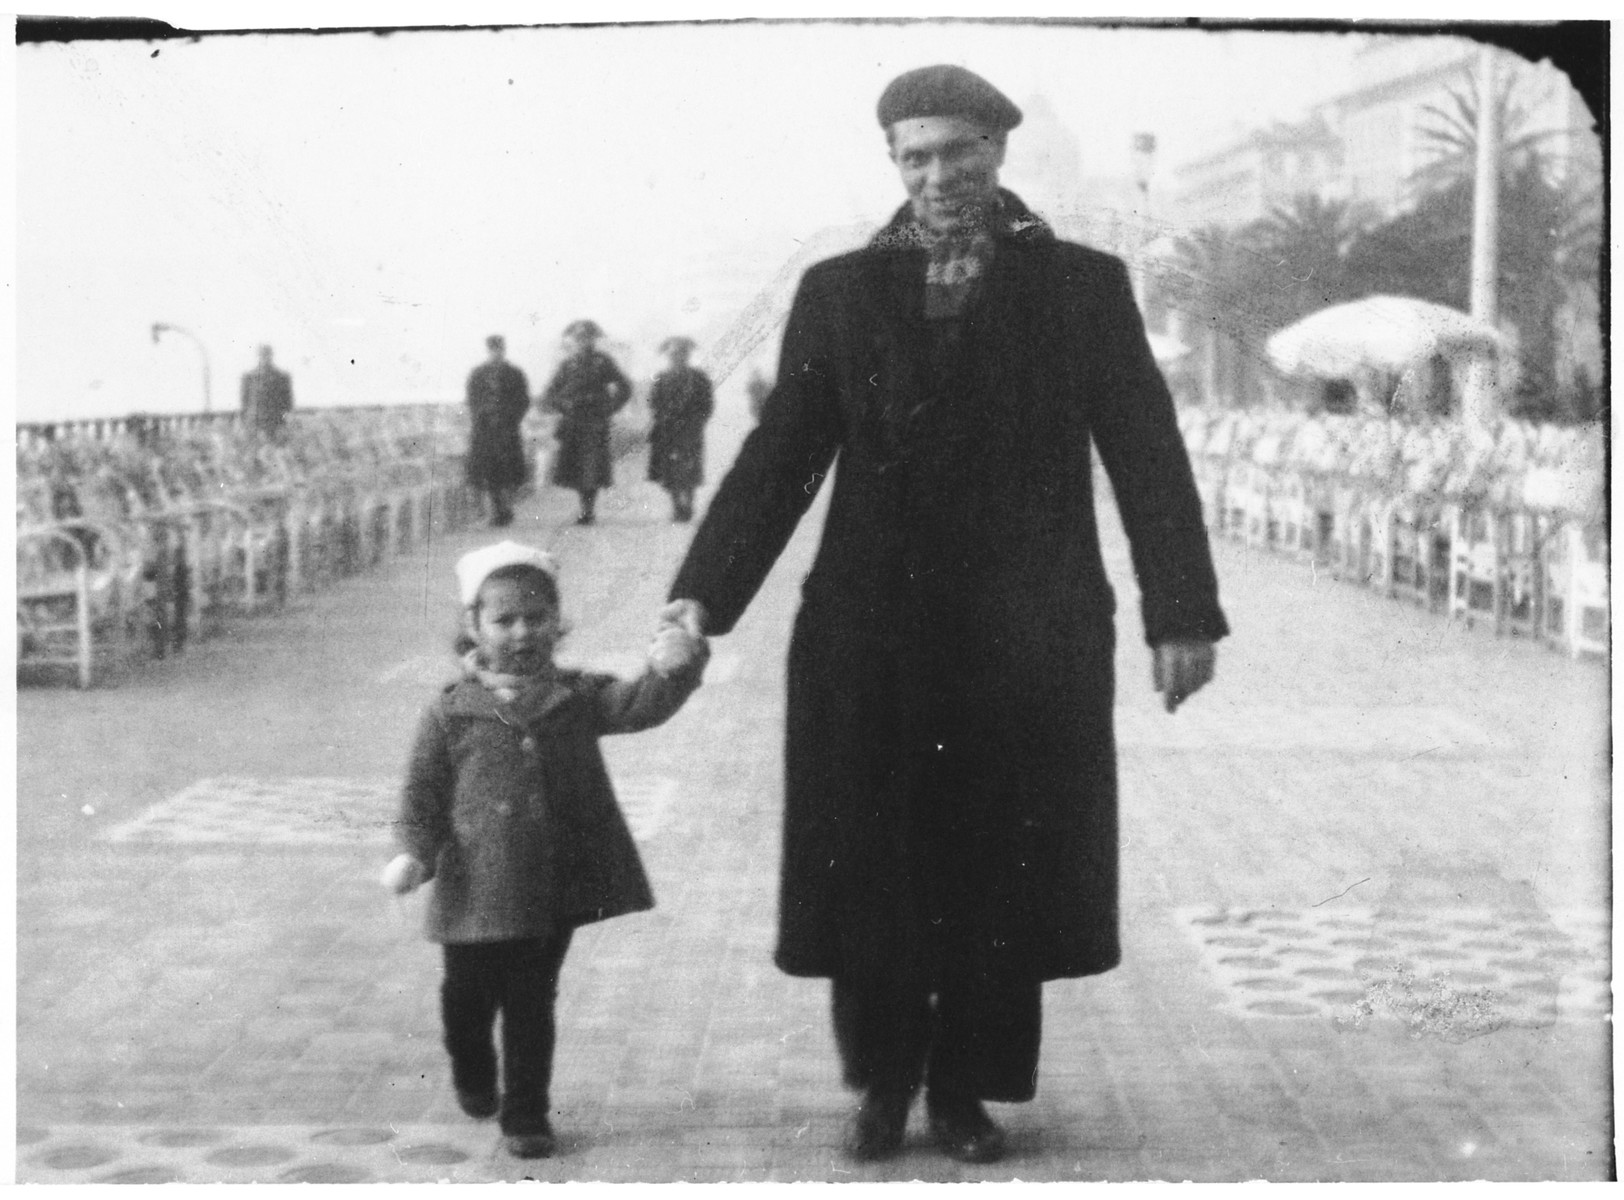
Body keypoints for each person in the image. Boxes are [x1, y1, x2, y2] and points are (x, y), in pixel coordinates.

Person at [660, 65, 1228, 1165]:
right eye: (914, 156)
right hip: (869, 627)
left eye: (957, 150)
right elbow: (783, 457)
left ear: (999, 152)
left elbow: (1147, 454)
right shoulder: (839, 289)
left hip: (1027, 627)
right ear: (893, 164)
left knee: (1001, 858)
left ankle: (965, 1088)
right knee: (868, 853)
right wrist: (700, 597)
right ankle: (879, 1084)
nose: (937, 174)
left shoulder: (1080, 284)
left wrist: (1181, 612)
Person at [382, 540, 709, 1159]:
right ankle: (474, 1071)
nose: (522, 632)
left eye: (537, 617)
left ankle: (525, 1113)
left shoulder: (577, 696)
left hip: (547, 886)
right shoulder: (451, 712)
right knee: (466, 998)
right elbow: (422, 796)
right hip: (472, 887)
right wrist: (414, 855)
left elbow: (639, 706)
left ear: (558, 623)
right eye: (503, 619)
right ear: (473, 626)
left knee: (532, 999)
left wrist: (677, 666)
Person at [542, 320, 632, 526]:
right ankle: (585, 506)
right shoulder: (567, 364)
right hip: (573, 424)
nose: (583, 342)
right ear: (574, 341)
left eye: (587, 338)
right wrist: (564, 406)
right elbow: (550, 394)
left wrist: (610, 407)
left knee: (591, 467)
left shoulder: (603, 362)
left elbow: (624, 387)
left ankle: (587, 510)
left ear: (594, 340)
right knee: (576, 469)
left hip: (595, 422)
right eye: (579, 339)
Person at [464, 335, 532, 528]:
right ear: (489, 350)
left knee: (508, 471)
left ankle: (506, 508)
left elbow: (523, 400)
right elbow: (472, 399)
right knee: (490, 470)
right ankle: (498, 511)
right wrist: (482, 414)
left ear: (504, 350)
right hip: (485, 431)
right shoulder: (478, 374)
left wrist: (511, 417)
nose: (497, 352)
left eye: (500, 349)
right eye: (493, 349)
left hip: (507, 430)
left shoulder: (515, 374)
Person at [646, 336, 716, 523]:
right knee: (670, 472)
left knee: (690, 471)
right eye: (674, 355)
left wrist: (696, 422)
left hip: (690, 432)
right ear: (669, 357)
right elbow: (653, 402)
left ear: (687, 356)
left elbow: (707, 405)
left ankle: (689, 505)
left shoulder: (698, 378)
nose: (677, 358)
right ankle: (677, 506)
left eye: (681, 355)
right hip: (668, 431)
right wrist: (662, 417)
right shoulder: (661, 378)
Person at [240, 344, 294, 436]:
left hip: (275, 421)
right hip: (255, 422)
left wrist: (285, 421)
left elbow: (288, 402)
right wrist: (246, 422)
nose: (265, 358)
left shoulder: (281, 377)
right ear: (258, 356)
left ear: (271, 356)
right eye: (262, 355)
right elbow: (245, 402)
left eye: (267, 355)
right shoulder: (249, 377)